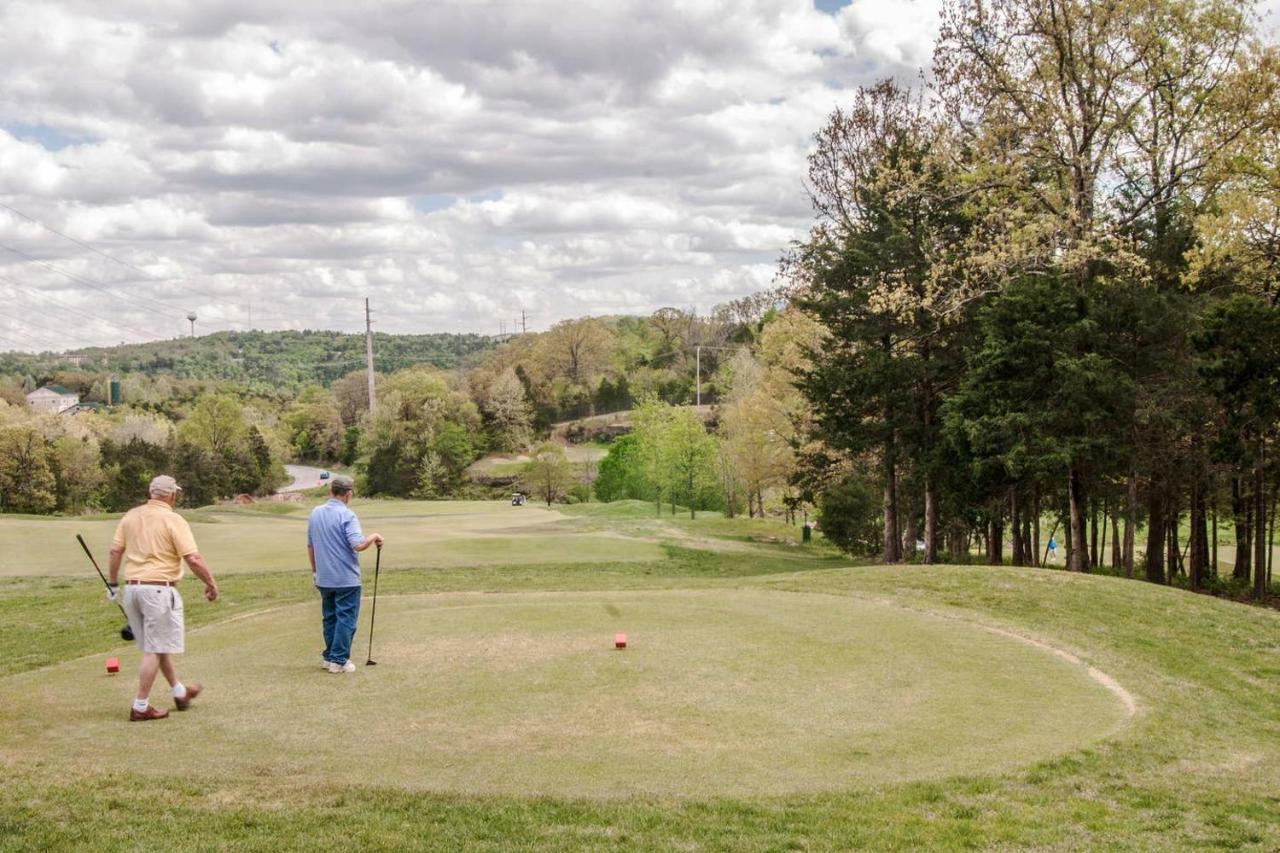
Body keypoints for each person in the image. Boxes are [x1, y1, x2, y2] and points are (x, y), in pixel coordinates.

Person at [108, 475, 219, 722]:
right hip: (158, 590)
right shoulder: (173, 519)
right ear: (172, 495)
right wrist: (210, 583)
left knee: (159, 646)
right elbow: (193, 558)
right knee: (154, 648)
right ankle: (140, 706)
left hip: (133, 590)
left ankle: (180, 693)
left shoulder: (131, 515)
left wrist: (113, 583)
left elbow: (116, 550)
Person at [307, 475, 383, 673]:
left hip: (323, 578)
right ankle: (339, 660)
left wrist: (315, 572)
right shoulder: (347, 515)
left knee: (330, 617)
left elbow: (310, 546)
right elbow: (358, 545)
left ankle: (329, 657)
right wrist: (374, 536)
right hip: (346, 579)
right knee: (346, 619)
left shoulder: (315, 512)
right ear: (348, 495)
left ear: (331, 491)